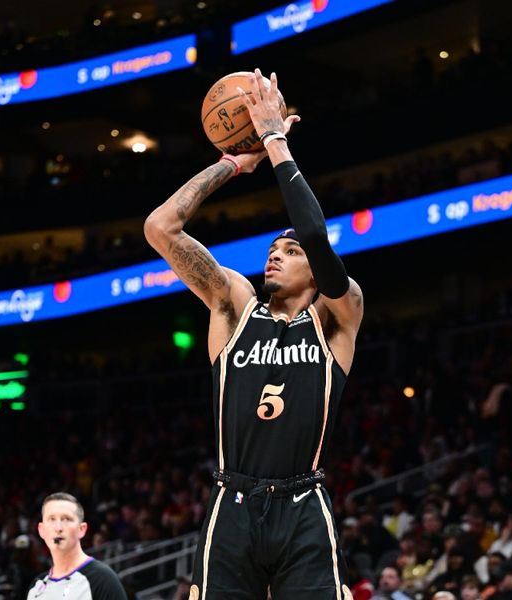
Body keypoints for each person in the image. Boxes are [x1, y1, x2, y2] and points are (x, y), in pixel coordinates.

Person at [145, 68, 364, 599]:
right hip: (233, 502)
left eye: (290, 253)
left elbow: (313, 232)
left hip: (303, 505)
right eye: (273, 248)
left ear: (317, 270)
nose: (275, 254)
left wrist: (274, 140)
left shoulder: (339, 313)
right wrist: (231, 164)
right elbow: (160, 228)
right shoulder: (235, 306)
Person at [26, 493, 127, 600]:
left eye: (66, 519)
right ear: (41, 530)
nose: (58, 528)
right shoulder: (35, 587)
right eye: (52, 519)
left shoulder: (102, 579)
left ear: (82, 529)